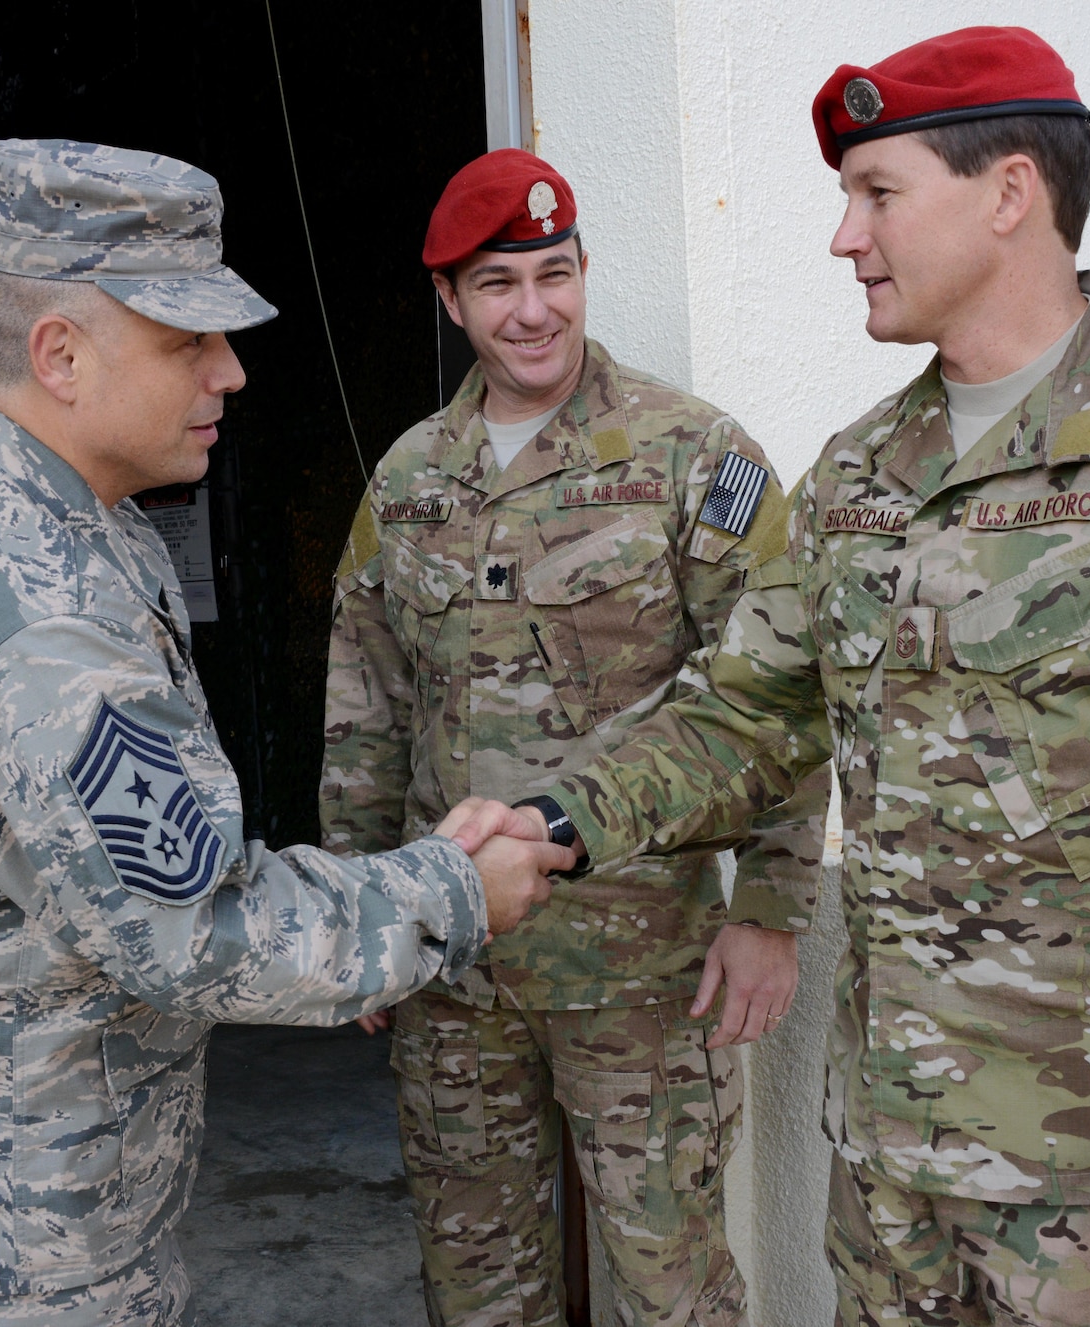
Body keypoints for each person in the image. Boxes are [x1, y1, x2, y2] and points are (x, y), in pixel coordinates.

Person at [508, 28, 1090, 1327]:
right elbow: (740, 718)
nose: (844, 236)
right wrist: (552, 821)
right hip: (892, 1168)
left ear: (1007, 193)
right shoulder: (859, 474)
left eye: (876, 193)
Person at [0, 138, 571, 1327]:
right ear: (60, 355)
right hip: (18, 1240)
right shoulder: (35, 603)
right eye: (185, 341)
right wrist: (454, 891)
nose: (229, 372)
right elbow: (194, 930)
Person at [320, 149, 829, 1327]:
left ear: (584, 271)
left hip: (640, 968)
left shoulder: (690, 454)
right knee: (475, 1282)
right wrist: (357, 907)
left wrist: (769, 907)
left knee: (668, 1286)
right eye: (497, 284)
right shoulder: (408, 478)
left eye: (554, 273)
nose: (533, 309)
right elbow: (367, 701)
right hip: (453, 962)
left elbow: (782, 693)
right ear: (450, 299)